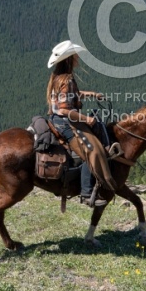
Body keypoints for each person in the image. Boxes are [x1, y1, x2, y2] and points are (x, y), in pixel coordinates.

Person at [46, 40, 113, 206]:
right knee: (90, 152)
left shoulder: (58, 77)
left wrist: (90, 94)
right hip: (64, 121)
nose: (77, 58)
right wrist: (87, 119)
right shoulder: (66, 80)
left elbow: (71, 96)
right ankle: (86, 193)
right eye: (75, 56)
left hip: (58, 119)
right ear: (69, 59)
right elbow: (64, 110)